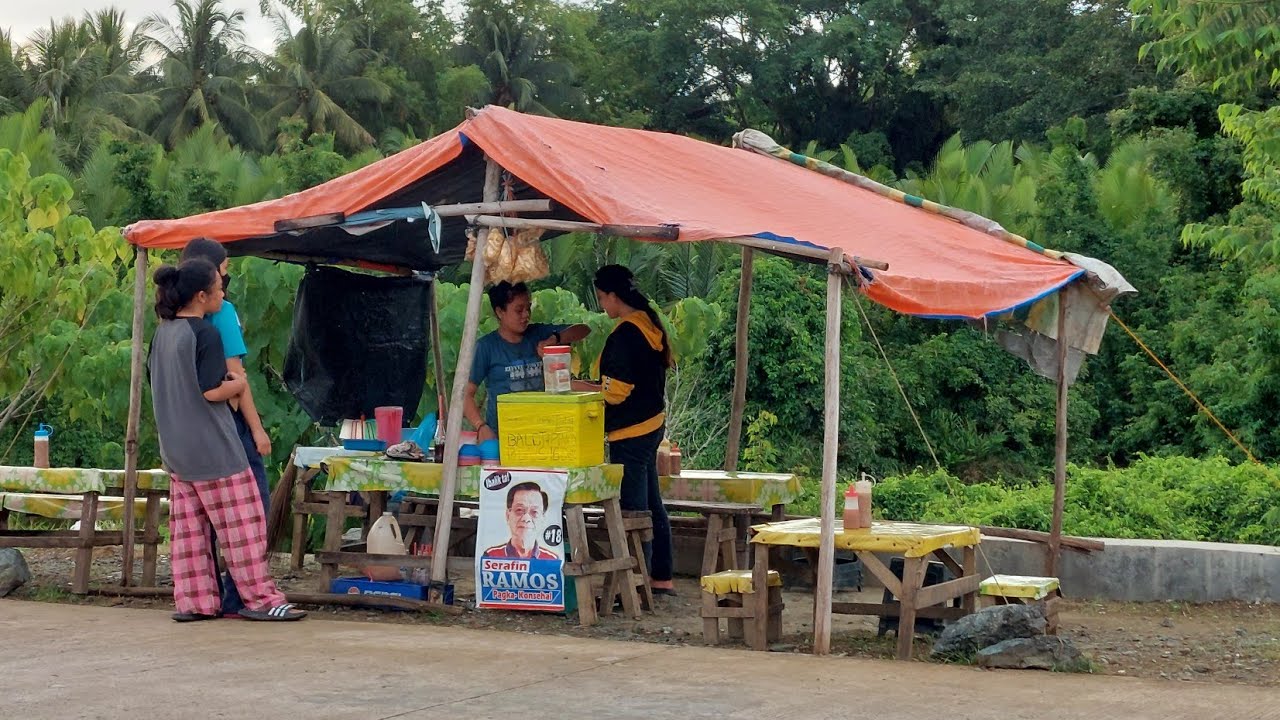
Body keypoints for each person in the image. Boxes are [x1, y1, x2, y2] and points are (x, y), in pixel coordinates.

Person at [148, 258, 304, 622]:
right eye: (219, 288)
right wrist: (239, 384)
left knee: (190, 536)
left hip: (177, 451)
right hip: (215, 449)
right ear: (201, 296)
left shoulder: (162, 334)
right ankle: (262, 600)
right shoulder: (205, 334)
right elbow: (210, 391)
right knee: (243, 530)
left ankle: (196, 603)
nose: (223, 293)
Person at [180, 237, 271, 618]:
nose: (226, 275)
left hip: (186, 430)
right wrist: (257, 429)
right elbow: (236, 377)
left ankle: (205, 598)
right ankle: (243, 597)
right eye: (225, 268)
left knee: (199, 520)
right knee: (251, 510)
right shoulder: (222, 311)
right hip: (227, 422)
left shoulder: (172, 322)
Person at [592, 265, 675, 595]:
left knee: (634, 510)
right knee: (652, 502)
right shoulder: (648, 323)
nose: (602, 305)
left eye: (602, 298)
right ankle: (660, 576)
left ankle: (636, 585)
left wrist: (586, 389)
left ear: (613, 296)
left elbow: (616, 391)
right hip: (652, 423)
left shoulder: (626, 334)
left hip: (629, 431)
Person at [465, 281, 590, 441]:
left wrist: (555, 338)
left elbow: (583, 329)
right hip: (504, 435)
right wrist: (480, 426)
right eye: (519, 310)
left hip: (543, 432)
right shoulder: (486, 347)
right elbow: (466, 395)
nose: (526, 315)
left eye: (528, 308)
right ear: (500, 312)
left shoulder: (538, 333)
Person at [481, 481, 559, 560]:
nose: (526, 519)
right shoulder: (490, 556)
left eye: (534, 512)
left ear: (543, 519)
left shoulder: (551, 559)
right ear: (508, 515)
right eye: (519, 510)